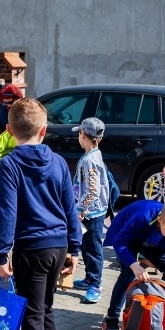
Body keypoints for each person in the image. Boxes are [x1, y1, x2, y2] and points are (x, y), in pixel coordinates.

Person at [0, 98, 81, 330]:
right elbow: (70, 206)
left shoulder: (8, 165)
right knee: (45, 309)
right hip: (57, 246)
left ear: (7, 130)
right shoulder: (58, 162)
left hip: (31, 247)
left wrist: (0, 255)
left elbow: (6, 214)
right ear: (45, 130)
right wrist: (76, 248)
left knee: (31, 314)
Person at [100, 200, 165, 330]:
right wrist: (134, 265)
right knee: (128, 274)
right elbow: (119, 243)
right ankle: (111, 318)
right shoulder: (142, 216)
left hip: (153, 238)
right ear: (160, 219)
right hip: (128, 237)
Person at [70, 117, 112, 304]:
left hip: (92, 213)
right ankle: (89, 277)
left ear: (83, 135)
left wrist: (81, 209)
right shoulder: (94, 155)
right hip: (91, 210)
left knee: (94, 248)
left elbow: (93, 190)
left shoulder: (90, 161)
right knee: (87, 246)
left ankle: (95, 284)